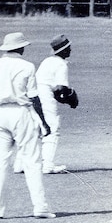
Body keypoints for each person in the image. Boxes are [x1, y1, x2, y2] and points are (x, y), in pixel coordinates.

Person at [0, 32, 55, 219]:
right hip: (21, 113)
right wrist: (44, 122)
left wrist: (1, 92)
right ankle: (40, 208)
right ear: (20, 48)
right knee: (32, 161)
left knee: (0, 164)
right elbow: (34, 97)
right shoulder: (27, 66)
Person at [34, 35, 78, 174]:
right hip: (45, 98)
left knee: (34, 130)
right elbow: (60, 88)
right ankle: (48, 165)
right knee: (52, 128)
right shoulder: (61, 64)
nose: (70, 49)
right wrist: (70, 98)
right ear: (63, 50)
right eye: (68, 47)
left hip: (33, 97)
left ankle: (22, 164)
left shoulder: (47, 61)